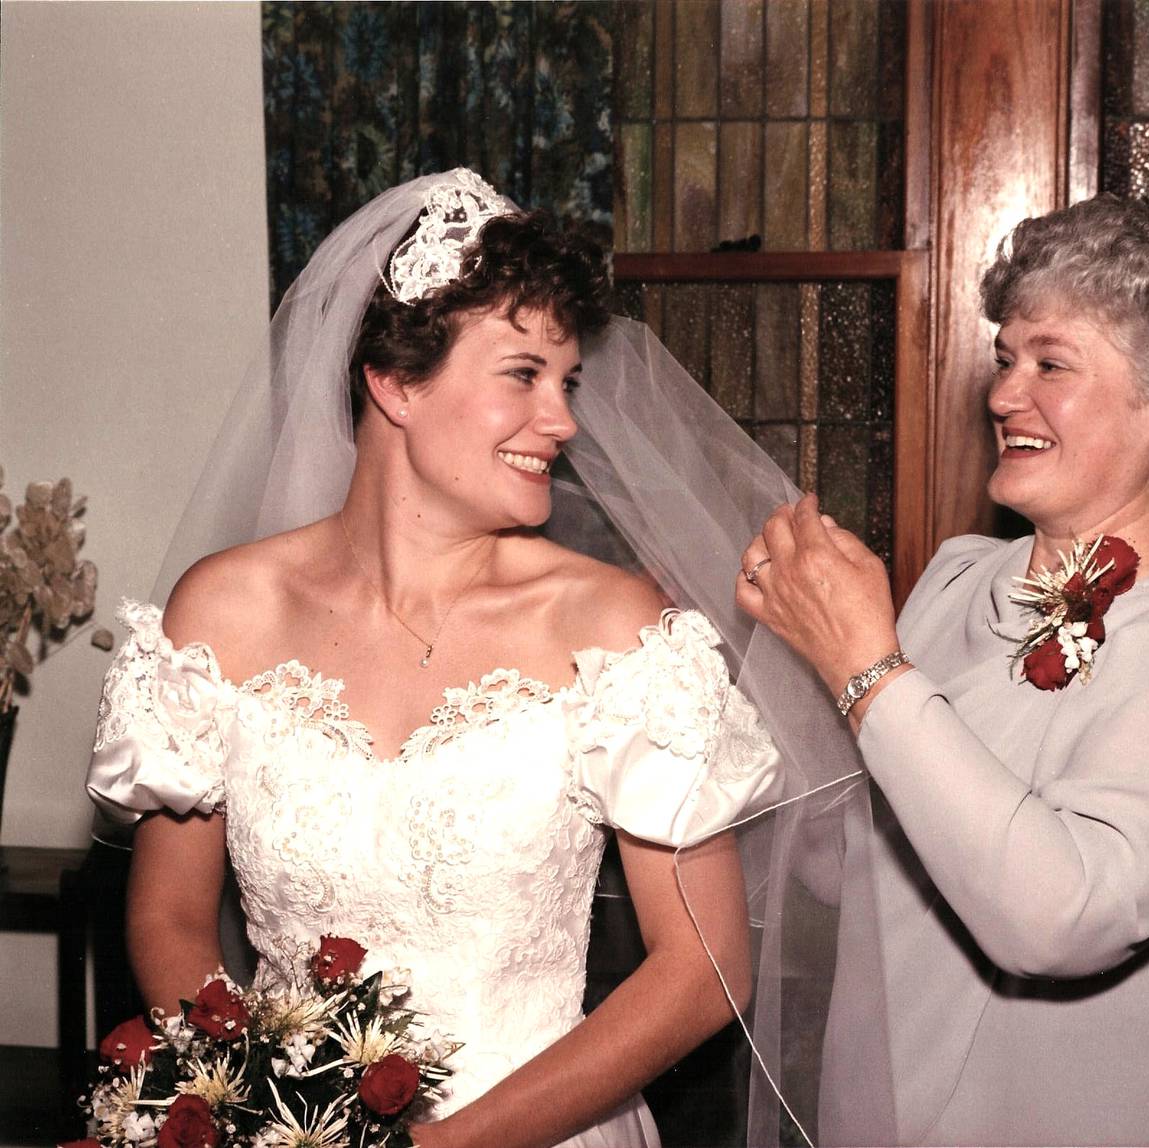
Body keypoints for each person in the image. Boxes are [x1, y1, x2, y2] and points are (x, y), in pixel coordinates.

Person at [86, 170, 796, 1148]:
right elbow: (168, 915)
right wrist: (259, 1110)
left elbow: (705, 969)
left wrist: (442, 1145)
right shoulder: (224, 611)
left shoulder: (612, 625)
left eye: (567, 382)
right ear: (396, 382)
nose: (563, 419)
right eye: (523, 374)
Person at [738, 195, 1149, 1146]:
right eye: (1005, 359)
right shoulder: (956, 581)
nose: (1002, 396)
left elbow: (1058, 919)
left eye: (1051, 364)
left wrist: (864, 666)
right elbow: (854, 863)